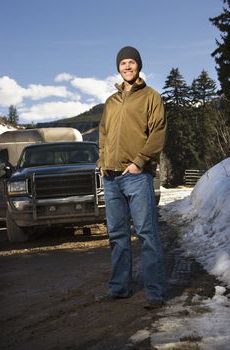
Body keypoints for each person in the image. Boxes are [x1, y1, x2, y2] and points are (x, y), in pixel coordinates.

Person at [97, 46, 167, 309]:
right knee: (117, 235)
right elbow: (103, 134)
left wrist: (139, 162)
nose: (127, 67)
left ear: (139, 66)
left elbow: (157, 133)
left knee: (147, 234)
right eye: (123, 63)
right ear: (118, 67)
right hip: (111, 178)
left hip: (136, 176)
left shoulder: (151, 97)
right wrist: (102, 161)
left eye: (131, 62)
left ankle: (156, 293)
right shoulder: (111, 102)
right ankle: (119, 288)